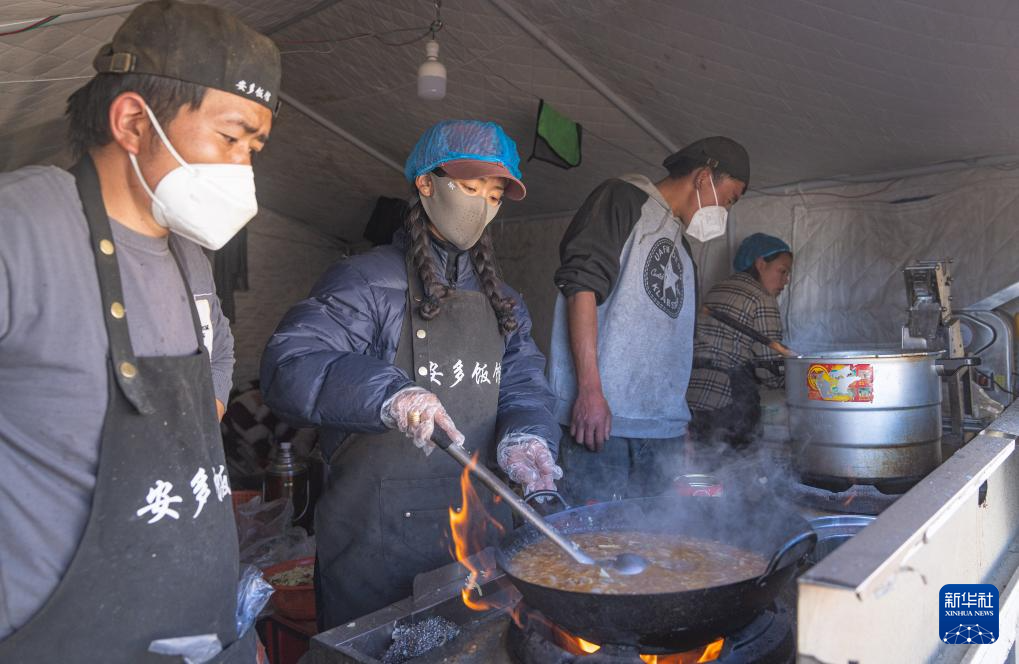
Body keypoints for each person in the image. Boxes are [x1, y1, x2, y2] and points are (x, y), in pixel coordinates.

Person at [0, 2, 280, 661]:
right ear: (132, 120)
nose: (242, 166)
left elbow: (215, 364)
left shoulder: (190, 254)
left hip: (204, 631)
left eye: (253, 149)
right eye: (231, 138)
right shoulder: (21, 227)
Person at [260, 120, 562, 629]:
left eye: (493, 195)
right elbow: (290, 364)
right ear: (425, 183)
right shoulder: (365, 280)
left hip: (476, 534)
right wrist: (390, 394)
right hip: (375, 539)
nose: (481, 205)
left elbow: (524, 386)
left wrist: (527, 435)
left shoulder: (505, 301)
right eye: (469, 188)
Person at [547, 137, 749, 505]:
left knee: (655, 543)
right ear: (704, 177)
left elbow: (672, 340)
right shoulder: (623, 199)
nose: (725, 212)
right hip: (603, 423)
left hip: (661, 432)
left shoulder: (684, 250)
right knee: (595, 546)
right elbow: (582, 287)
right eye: (730, 199)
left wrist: (677, 418)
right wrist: (590, 390)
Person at [687, 233, 792, 454]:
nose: (786, 280)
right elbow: (769, 369)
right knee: (738, 472)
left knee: (704, 471)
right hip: (729, 402)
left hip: (692, 397)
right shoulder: (762, 298)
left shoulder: (717, 289)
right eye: (782, 271)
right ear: (761, 263)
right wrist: (798, 382)